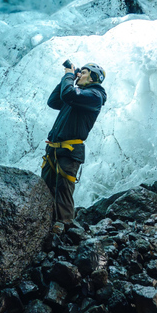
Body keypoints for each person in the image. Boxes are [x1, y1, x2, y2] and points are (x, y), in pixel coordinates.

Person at [41, 61, 107, 223]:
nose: (79, 75)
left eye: (83, 73)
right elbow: (54, 101)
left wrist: (69, 76)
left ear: (92, 78)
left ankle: (65, 231)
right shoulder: (77, 97)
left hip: (69, 152)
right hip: (54, 150)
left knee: (63, 193)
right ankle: (45, 227)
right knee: (46, 190)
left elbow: (68, 94)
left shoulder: (94, 96)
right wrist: (67, 78)